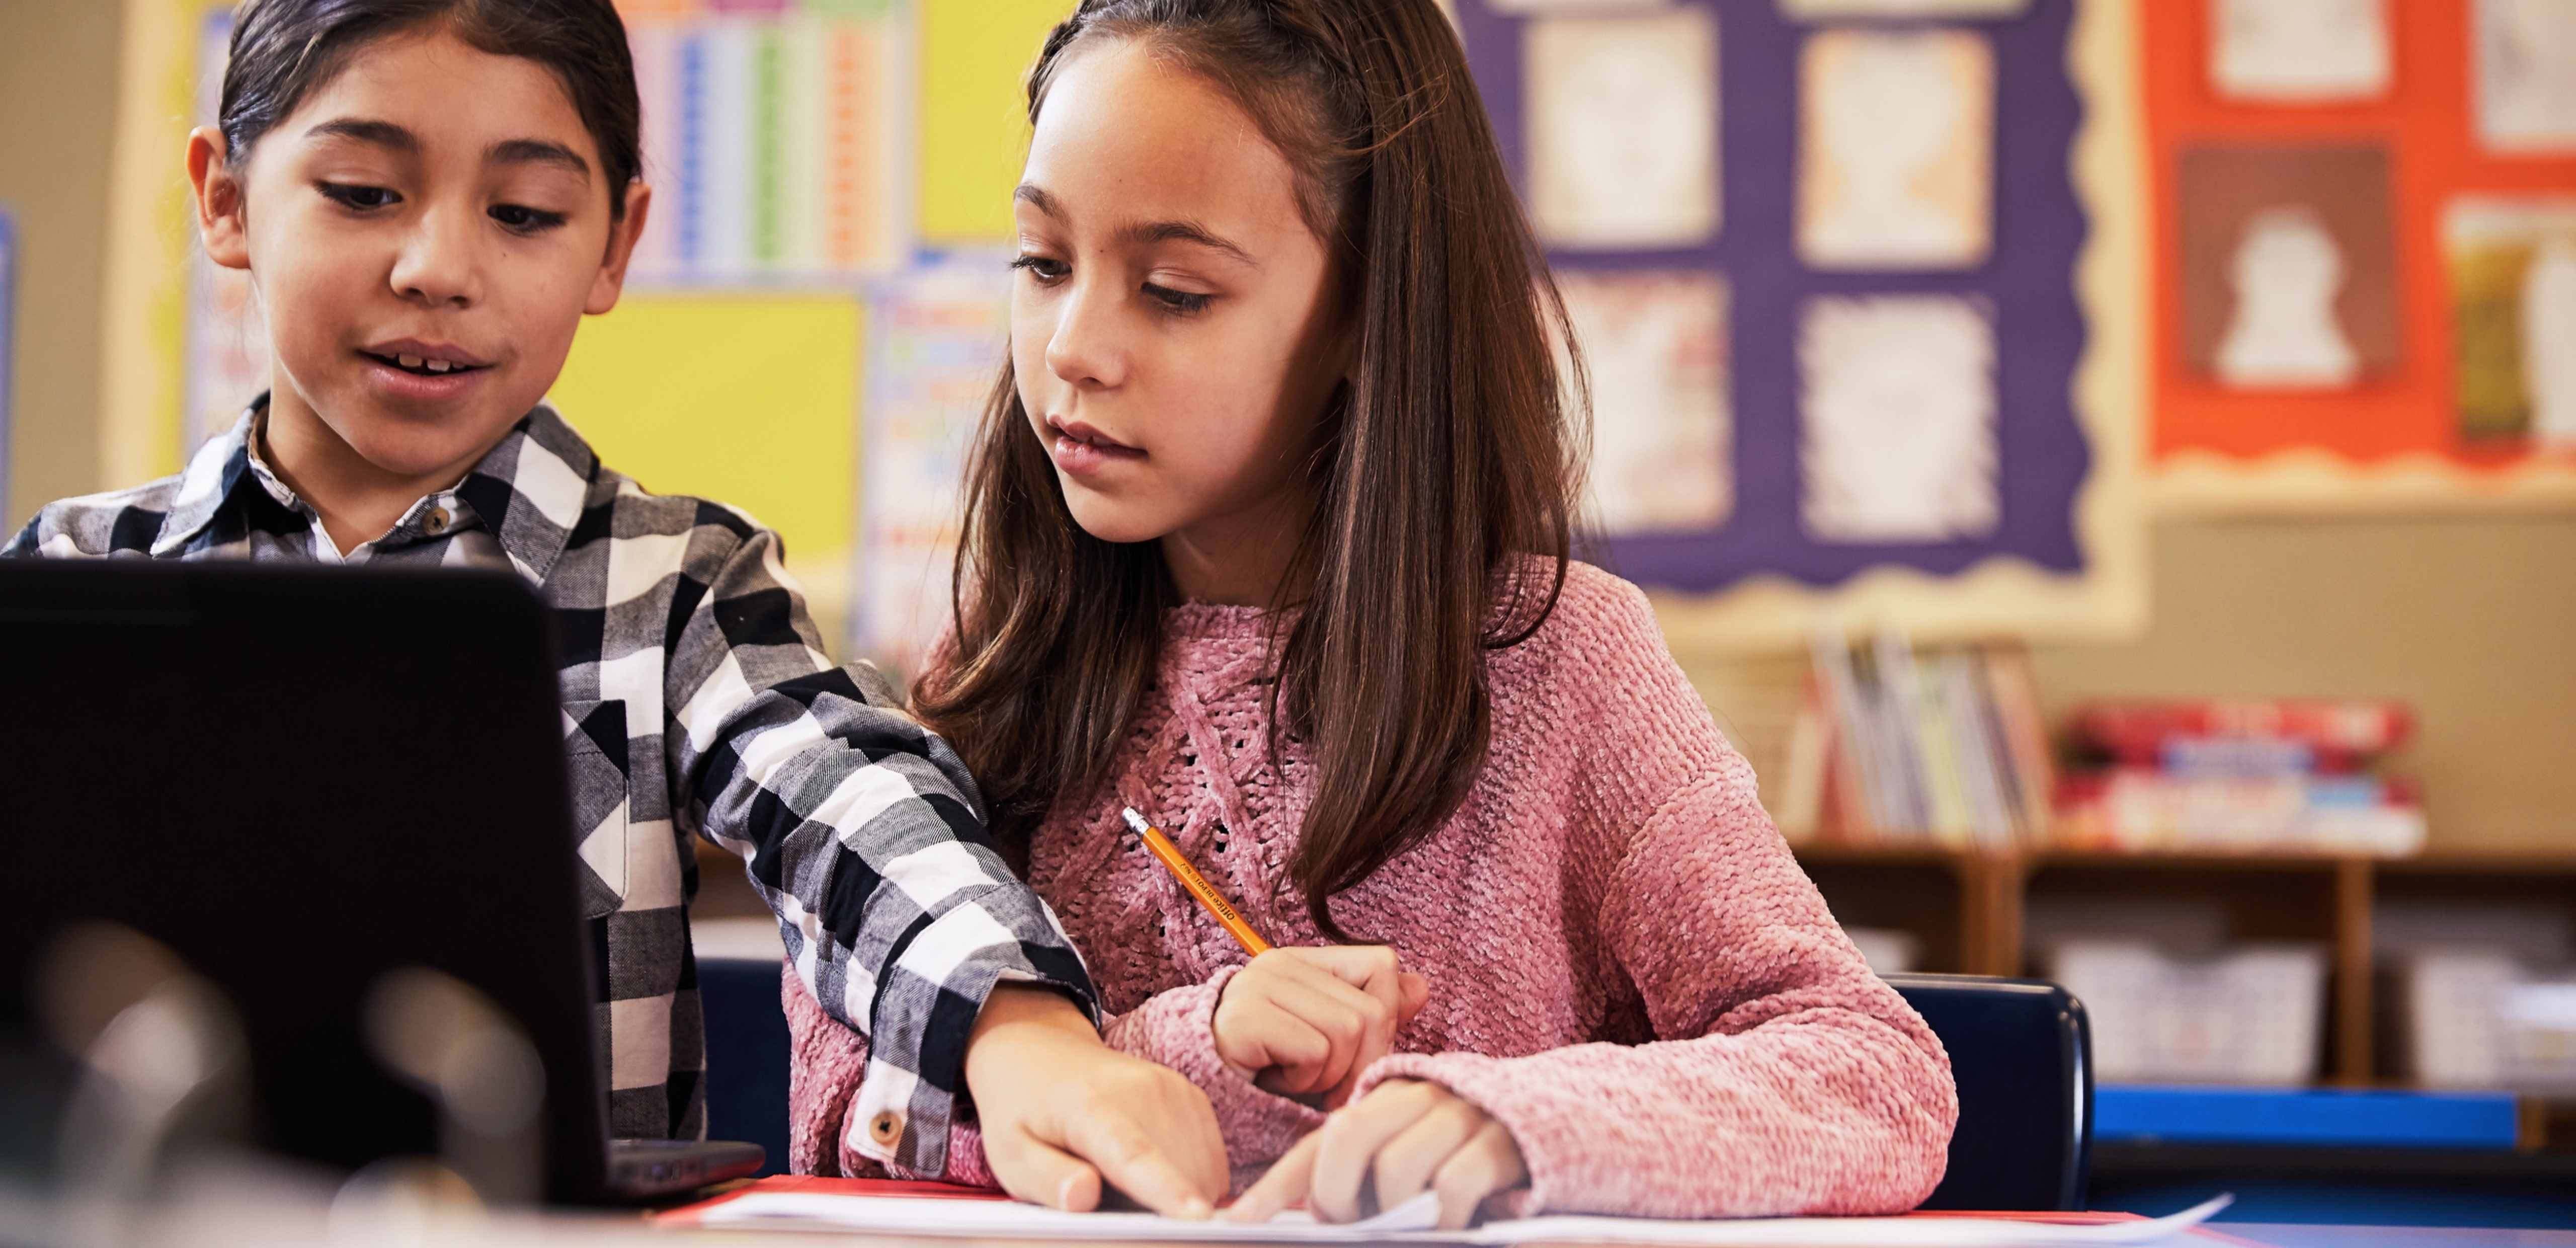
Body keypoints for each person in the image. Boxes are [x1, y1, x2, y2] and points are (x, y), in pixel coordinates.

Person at [5, 0, 1226, 1216]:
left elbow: (851, 801)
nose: (438, 268)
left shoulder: (674, 585)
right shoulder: (69, 570)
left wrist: (1015, 1029)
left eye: (525, 214)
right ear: (224, 197)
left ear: (613, 245)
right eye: (364, 192)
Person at [786, 0, 1958, 1227]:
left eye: (1176, 291)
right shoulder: (1001, 665)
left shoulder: (1556, 664)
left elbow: (1875, 1074)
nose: (1074, 346)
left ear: (1364, 312)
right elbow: (839, 1106)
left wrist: (1515, 1119)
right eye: (1043, 263)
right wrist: (1182, 1048)